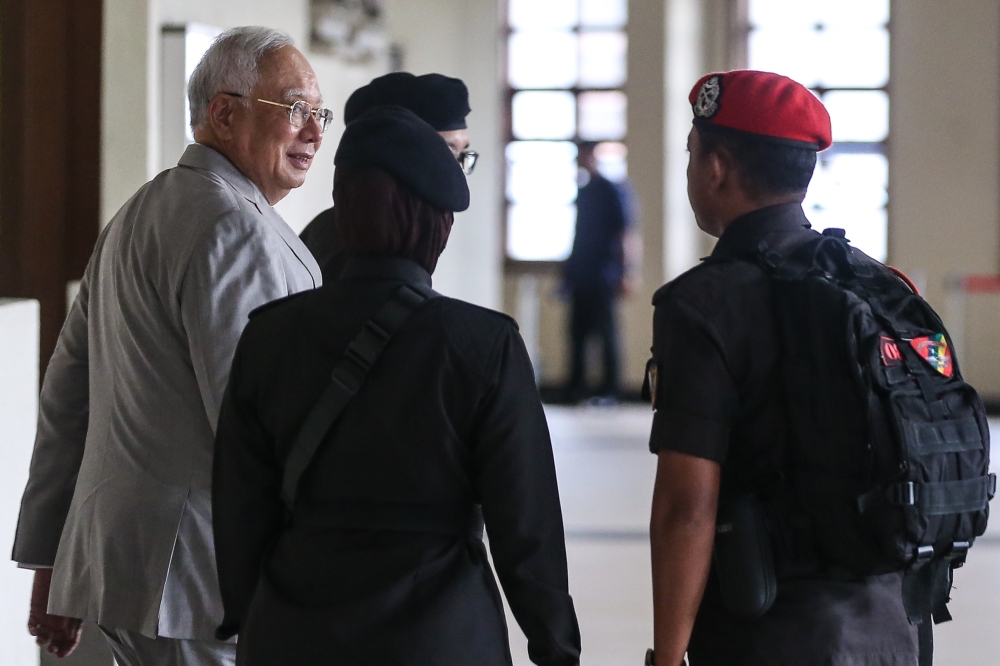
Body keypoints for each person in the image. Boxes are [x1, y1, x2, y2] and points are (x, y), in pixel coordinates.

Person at [212, 106, 581, 666]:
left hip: (294, 627)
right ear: (434, 223)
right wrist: (556, 645)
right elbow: (525, 524)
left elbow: (240, 502)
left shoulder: (269, 334)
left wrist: (250, 612)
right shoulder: (483, 343)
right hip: (438, 631)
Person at [11, 26, 327, 665]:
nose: (315, 133)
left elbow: (66, 396)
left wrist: (50, 556)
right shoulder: (233, 228)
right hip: (196, 578)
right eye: (294, 110)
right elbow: (254, 429)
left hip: (111, 567)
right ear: (223, 112)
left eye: (320, 115)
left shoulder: (137, 212)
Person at [646, 71, 918, 665]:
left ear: (716, 167)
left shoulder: (701, 305)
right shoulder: (876, 284)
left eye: (692, 155)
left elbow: (687, 506)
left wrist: (667, 658)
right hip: (891, 630)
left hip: (769, 637)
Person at [299, 71, 477, 283]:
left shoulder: (421, 232)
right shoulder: (354, 237)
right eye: (448, 151)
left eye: (463, 154)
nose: (455, 171)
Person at [562, 141, 637, 402]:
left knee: (606, 334)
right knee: (577, 333)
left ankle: (611, 390)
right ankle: (576, 388)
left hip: (604, 274)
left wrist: (627, 272)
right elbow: (578, 235)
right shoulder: (584, 192)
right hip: (581, 274)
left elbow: (625, 233)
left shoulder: (612, 190)